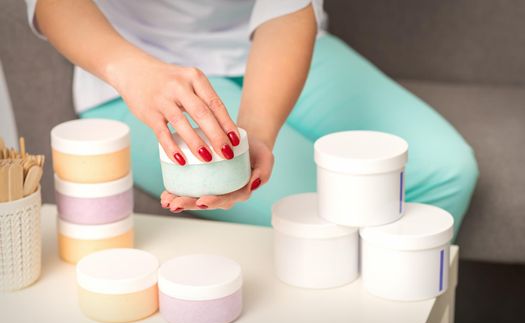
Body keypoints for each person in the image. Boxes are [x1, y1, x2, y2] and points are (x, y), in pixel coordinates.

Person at [26, 0, 478, 239]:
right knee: (327, 214)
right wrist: (133, 72)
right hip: (134, 64)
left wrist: (256, 133)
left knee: (447, 172)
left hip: (277, 43)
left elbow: (284, 10)